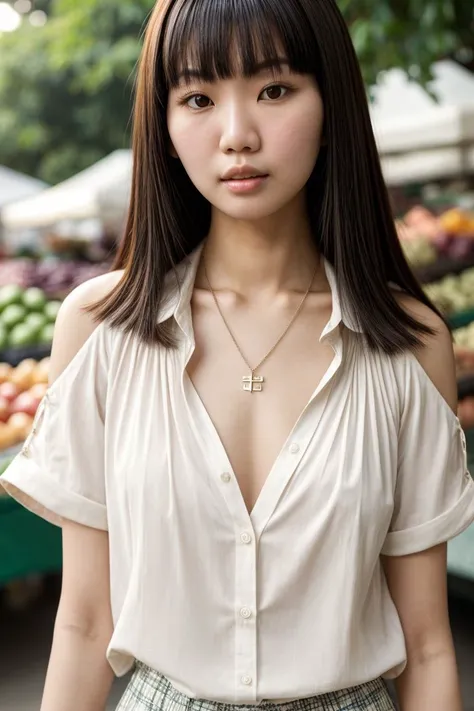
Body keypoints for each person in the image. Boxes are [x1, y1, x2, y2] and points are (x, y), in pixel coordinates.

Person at [2, 0, 474, 709]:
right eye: (197, 97)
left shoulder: (408, 344)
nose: (237, 134)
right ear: (163, 126)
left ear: (330, 103)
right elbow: (83, 619)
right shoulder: (100, 328)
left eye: (275, 89)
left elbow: (429, 642)